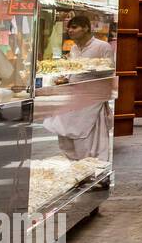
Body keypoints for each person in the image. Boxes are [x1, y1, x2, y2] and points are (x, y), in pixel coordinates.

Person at [43, 15, 114, 160]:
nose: (70, 30)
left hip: (92, 99)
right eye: (69, 27)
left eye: (74, 27)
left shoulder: (102, 46)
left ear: (86, 27)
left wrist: (90, 68)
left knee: (90, 136)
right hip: (72, 97)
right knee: (64, 131)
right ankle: (75, 165)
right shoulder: (74, 48)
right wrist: (64, 78)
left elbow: (110, 70)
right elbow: (73, 70)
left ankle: (94, 168)